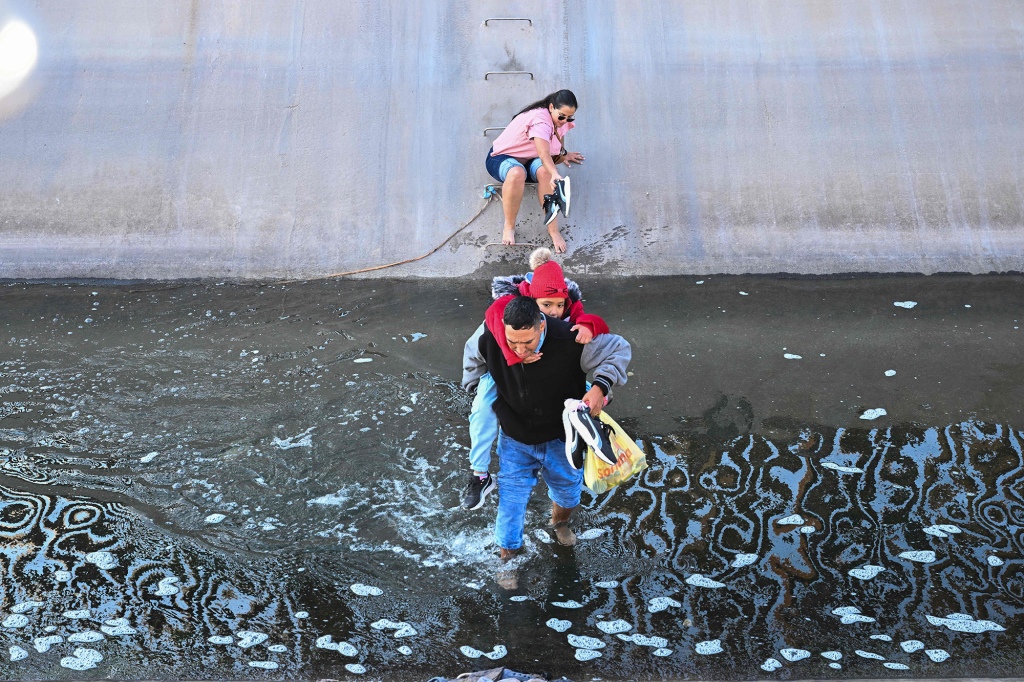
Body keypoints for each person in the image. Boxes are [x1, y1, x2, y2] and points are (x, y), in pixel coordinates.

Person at [462, 295, 631, 559]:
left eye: (527, 342)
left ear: (541, 325)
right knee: (510, 504)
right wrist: (478, 391)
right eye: (512, 342)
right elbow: (472, 359)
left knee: (567, 497)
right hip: (515, 438)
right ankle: (508, 560)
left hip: (561, 441)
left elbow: (618, 349)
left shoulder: (570, 338)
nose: (519, 350)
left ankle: (559, 524)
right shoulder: (489, 335)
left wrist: (601, 386)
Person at [461, 249, 610, 511]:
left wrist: (589, 325)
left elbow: (593, 322)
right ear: (531, 300)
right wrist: (514, 357)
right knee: (483, 407)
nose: (554, 312)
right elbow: (481, 342)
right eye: (546, 305)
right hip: (506, 375)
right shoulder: (508, 307)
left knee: (588, 394)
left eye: (559, 305)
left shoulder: (566, 307)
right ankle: (480, 474)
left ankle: (590, 428)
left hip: (551, 381)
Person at [486, 89, 585, 254]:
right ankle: (509, 226)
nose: (565, 121)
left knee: (545, 174)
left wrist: (564, 155)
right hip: (502, 157)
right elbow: (544, 154)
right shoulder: (541, 121)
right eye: (562, 116)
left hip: (530, 159)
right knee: (518, 173)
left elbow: (555, 150)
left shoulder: (560, 119)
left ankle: (553, 229)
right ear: (551, 107)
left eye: (570, 117)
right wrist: (555, 173)